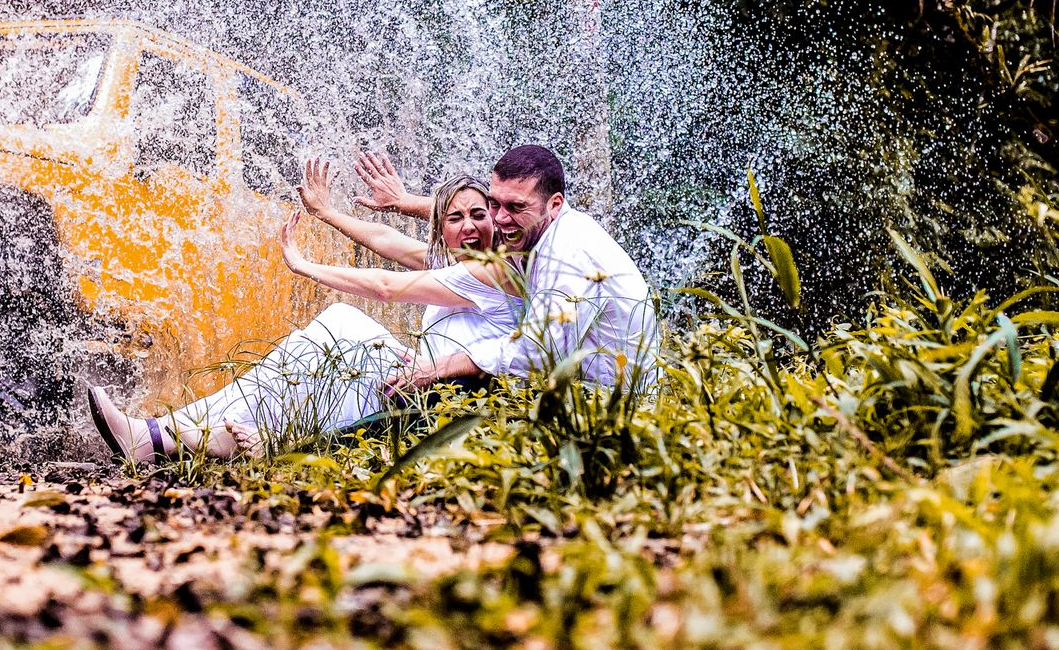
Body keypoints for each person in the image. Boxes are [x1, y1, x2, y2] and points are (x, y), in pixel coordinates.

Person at [88, 169, 527, 464]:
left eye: (477, 215)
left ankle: (185, 437)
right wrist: (327, 212)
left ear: (495, 218)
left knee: (343, 324)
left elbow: (386, 286)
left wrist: (305, 266)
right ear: (440, 227)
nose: (468, 226)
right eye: (455, 218)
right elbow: (384, 239)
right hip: (421, 389)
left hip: (445, 402)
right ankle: (166, 436)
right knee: (309, 358)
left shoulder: (495, 269)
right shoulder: (454, 263)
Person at [356, 144, 657, 387]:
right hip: (571, 397)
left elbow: (538, 353)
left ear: (554, 204)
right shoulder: (542, 231)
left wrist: (440, 367)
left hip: (607, 413)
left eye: (515, 207)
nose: (499, 218)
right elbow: (472, 221)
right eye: (494, 203)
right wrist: (403, 201)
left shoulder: (567, 253)